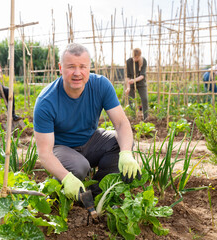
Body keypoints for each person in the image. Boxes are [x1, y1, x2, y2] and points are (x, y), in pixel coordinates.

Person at [33, 43, 141, 201]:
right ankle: (64, 187)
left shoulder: (101, 85)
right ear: (60, 67)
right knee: (79, 167)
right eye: (71, 67)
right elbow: (44, 153)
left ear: (89, 67)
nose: (77, 73)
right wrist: (66, 177)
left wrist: (126, 153)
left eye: (82, 67)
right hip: (62, 148)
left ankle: (96, 193)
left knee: (123, 144)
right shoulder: (46, 101)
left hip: (91, 141)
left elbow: (121, 124)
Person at [125, 48, 149, 120]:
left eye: (137, 57)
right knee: (131, 100)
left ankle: (146, 117)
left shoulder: (143, 61)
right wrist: (128, 87)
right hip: (131, 83)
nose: (136, 58)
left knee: (144, 99)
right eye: (134, 57)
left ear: (140, 56)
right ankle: (133, 117)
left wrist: (134, 80)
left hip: (141, 83)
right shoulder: (129, 62)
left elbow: (142, 75)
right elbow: (128, 76)